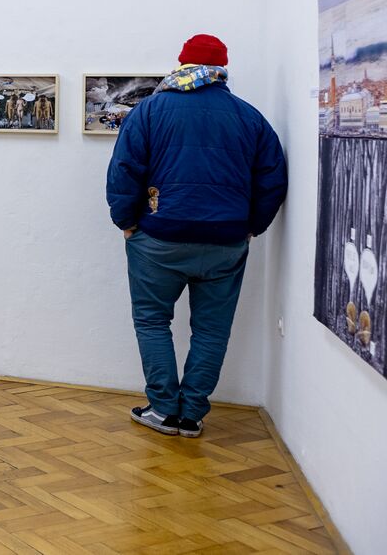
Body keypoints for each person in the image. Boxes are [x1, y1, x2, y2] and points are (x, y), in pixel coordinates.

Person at [107, 34, 287, 438]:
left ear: (182, 64)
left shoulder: (150, 110)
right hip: (226, 241)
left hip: (158, 238)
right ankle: (191, 415)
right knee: (212, 330)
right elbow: (273, 179)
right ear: (222, 69)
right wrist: (251, 225)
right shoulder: (249, 117)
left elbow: (124, 170)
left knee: (152, 321)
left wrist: (126, 221)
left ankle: (163, 410)